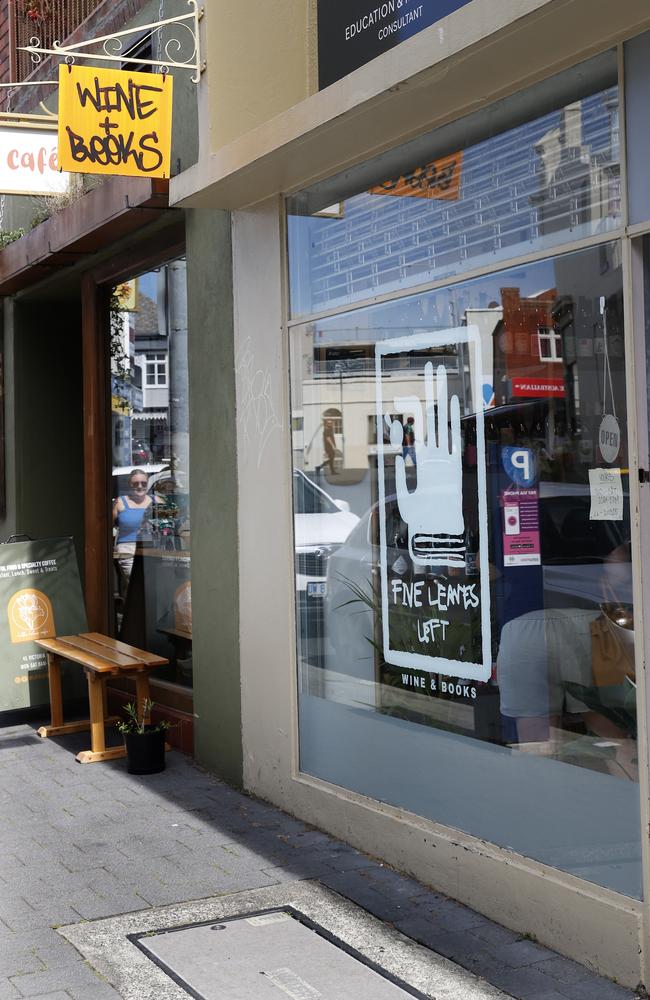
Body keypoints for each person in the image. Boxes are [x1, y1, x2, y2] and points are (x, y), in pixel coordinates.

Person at [113, 469, 158, 593]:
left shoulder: (157, 501)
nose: (140, 486)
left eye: (143, 483)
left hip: (152, 547)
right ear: (129, 484)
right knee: (135, 585)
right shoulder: (120, 502)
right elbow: (108, 525)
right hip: (127, 548)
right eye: (135, 483)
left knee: (153, 585)